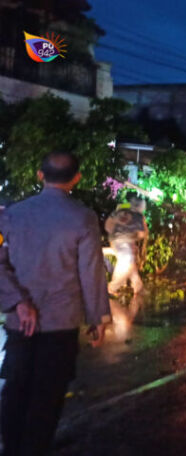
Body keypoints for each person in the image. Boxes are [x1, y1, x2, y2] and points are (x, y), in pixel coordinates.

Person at [0, 151, 111, 456]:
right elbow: (92, 273)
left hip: (19, 323)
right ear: (76, 178)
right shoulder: (83, 218)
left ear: (40, 175)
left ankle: (11, 449)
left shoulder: (11, 215)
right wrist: (97, 318)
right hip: (61, 323)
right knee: (46, 397)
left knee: (15, 390)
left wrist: (18, 302)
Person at [105, 197, 148, 295]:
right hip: (124, 241)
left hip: (114, 239)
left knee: (127, 261)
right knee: (127, 264)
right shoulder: (138, 215)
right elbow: (142, 234)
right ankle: (112, 287)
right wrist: (134, 236)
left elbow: (108, 226)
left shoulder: (121, 209)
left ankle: (138, 285)